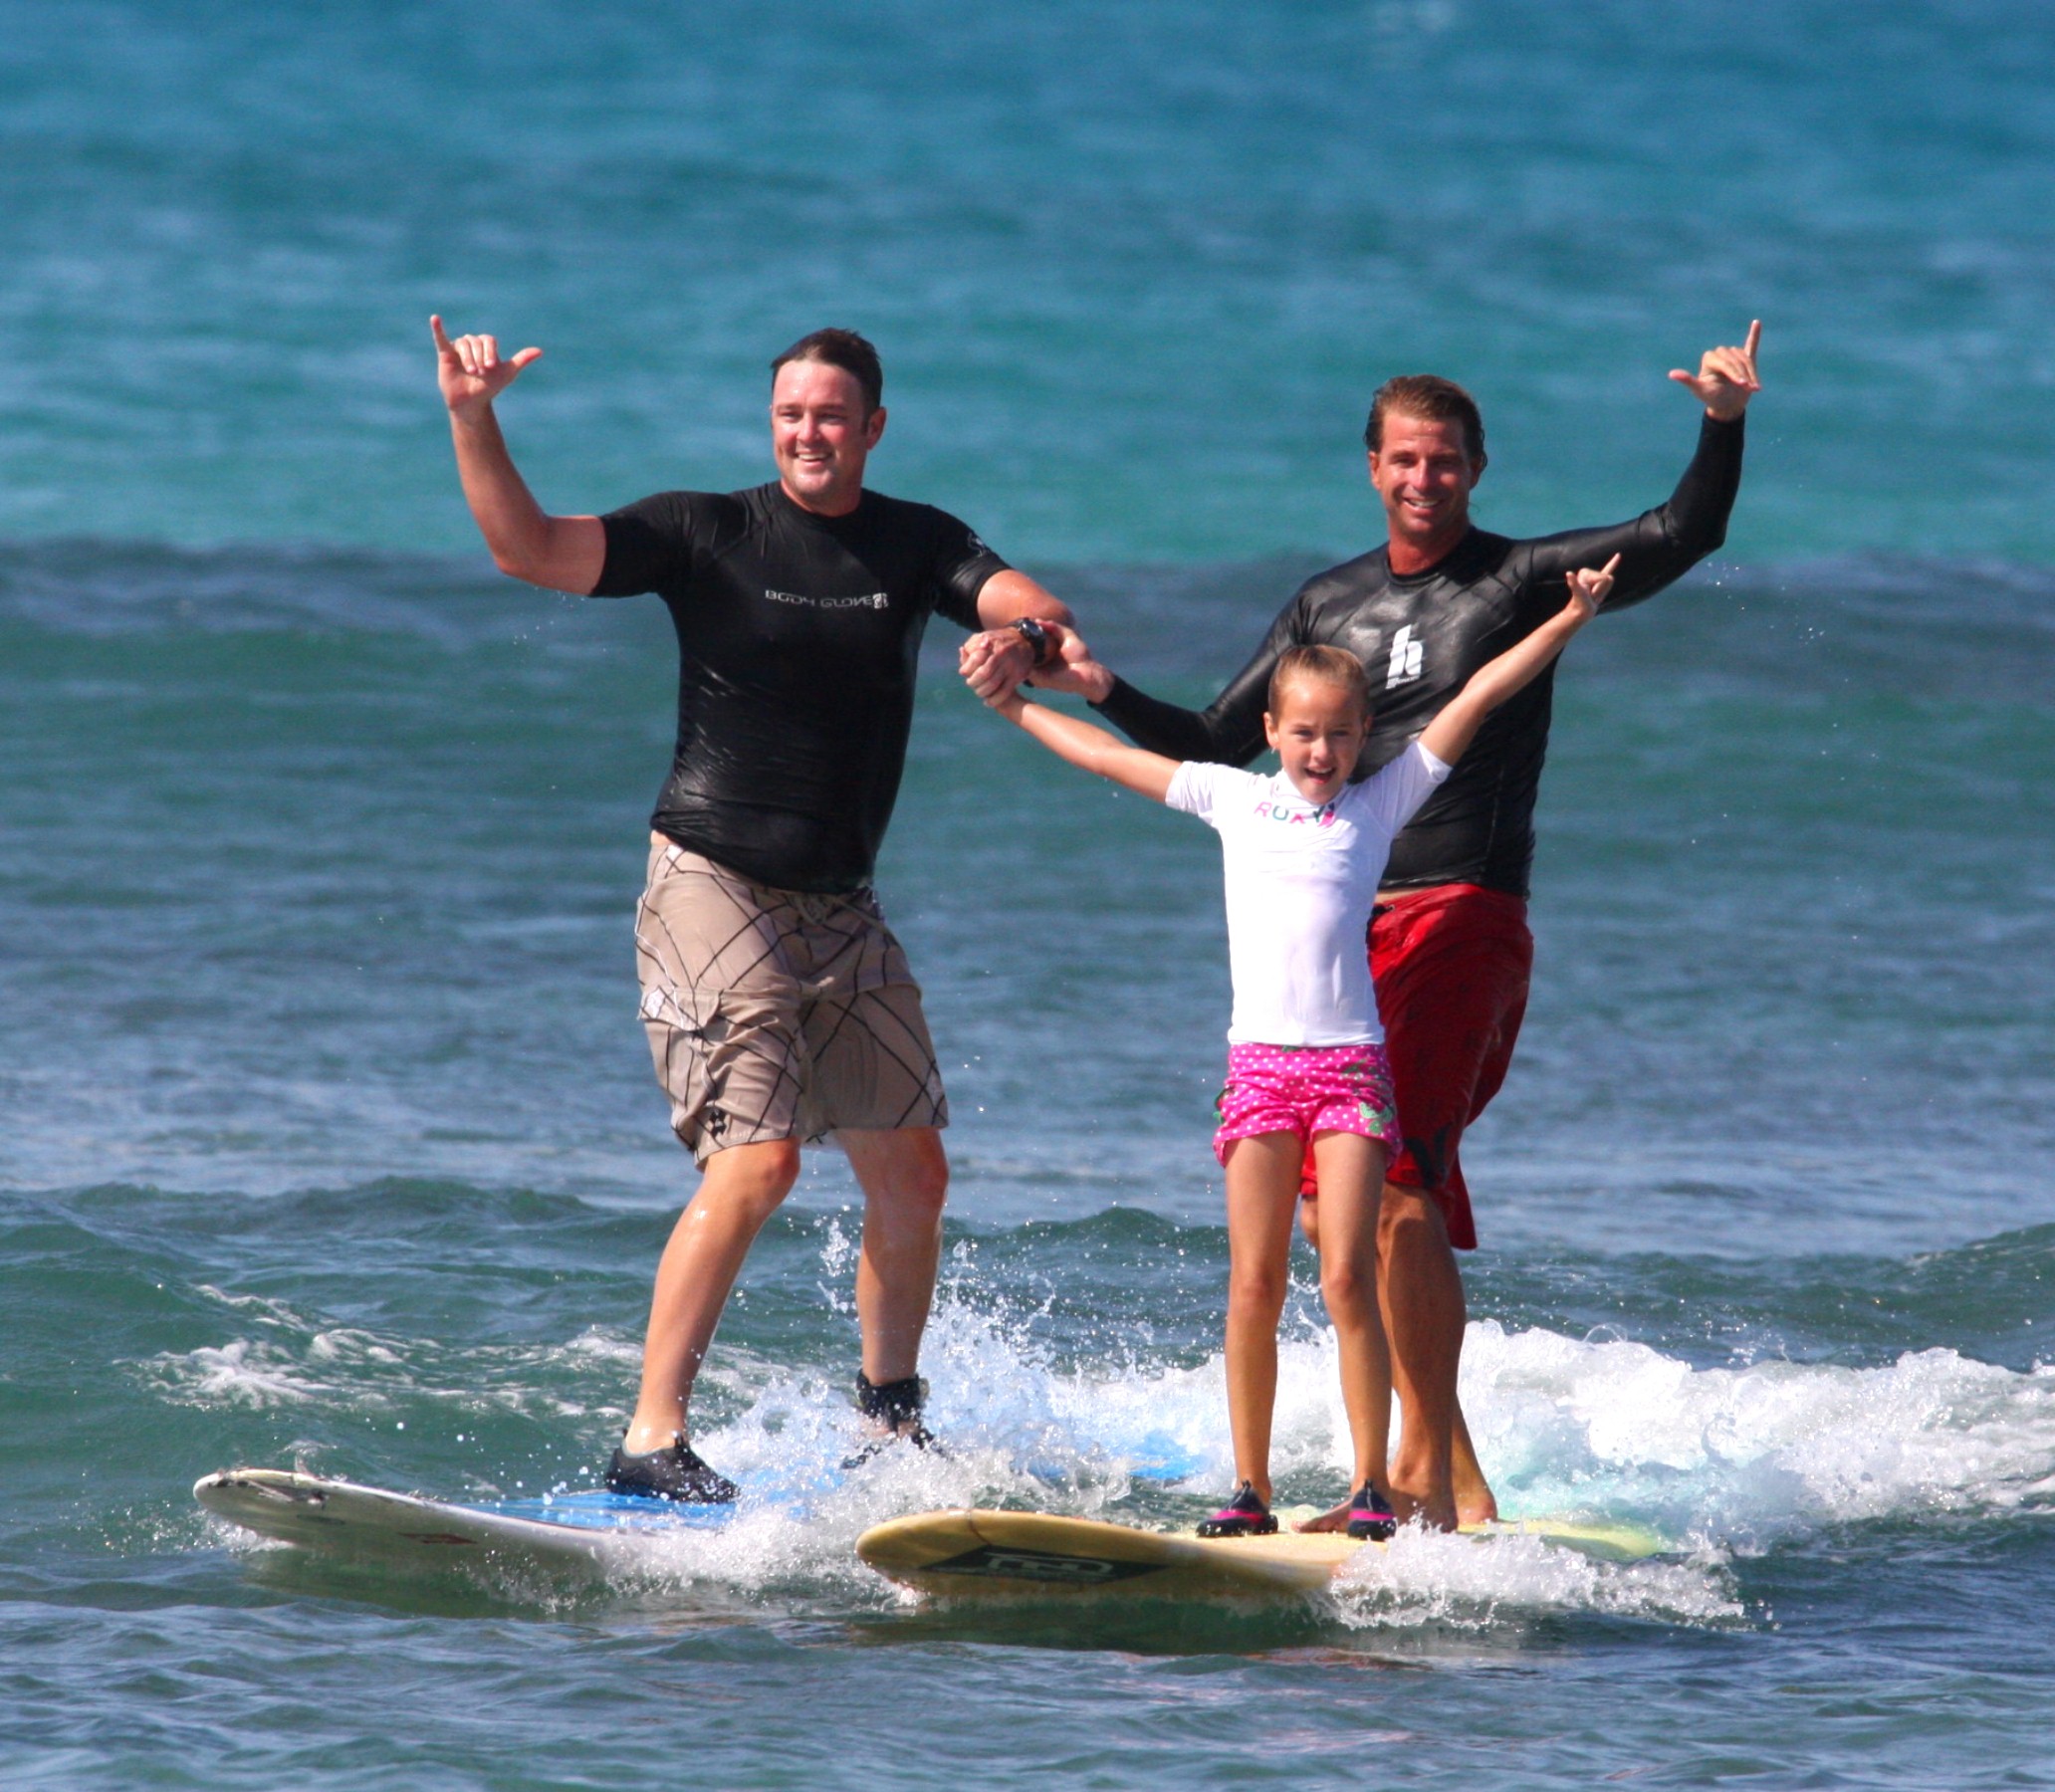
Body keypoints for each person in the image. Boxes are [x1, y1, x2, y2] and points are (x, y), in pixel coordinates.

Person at [982, 324, 1761, 1529]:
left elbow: (1682, 533)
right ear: (1372, 467)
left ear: (1477, 469)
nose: (1422, 478)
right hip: (1350, 948)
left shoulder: (1517, 582)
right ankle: (1433, 1469)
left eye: (1444, 461)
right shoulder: (1329, 602)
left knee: (1400, 1186)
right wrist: (1097, 694)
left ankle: (1428, 1477)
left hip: (1461, 914)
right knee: (1350, 1211)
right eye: (1403, 459)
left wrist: (1721, 423)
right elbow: (1207, 746)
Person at [430, 317, 1086, 1499]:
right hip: (709, 880)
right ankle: (648, 1440)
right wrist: (474, 418)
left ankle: (888, 1425)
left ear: (873, 428)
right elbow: (527, 549)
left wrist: (1028, 640)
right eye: (791, 413)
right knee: (760, 1161)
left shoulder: (914, 542)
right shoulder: (709, 532)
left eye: (832, 414)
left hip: (840, 906)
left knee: (913, 1170)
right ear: (769, 423)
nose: (809, 432)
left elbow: (1021, 601)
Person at [981, 560, 1618, 1537]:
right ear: (1271, 732)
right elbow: (1108, 761)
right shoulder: (1235, 799)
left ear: (1367, 738)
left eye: (1340, 734)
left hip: (1351, 1069)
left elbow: (1484, 689)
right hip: (1260, 1073)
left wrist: (1570, 617)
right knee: (1253, 1284)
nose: (1322, 750)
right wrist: (1016, 712)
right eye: (1304, 733)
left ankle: (1372, 1485)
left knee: (1349, 1273)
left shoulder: (1382, 801)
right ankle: (1251, 1490)